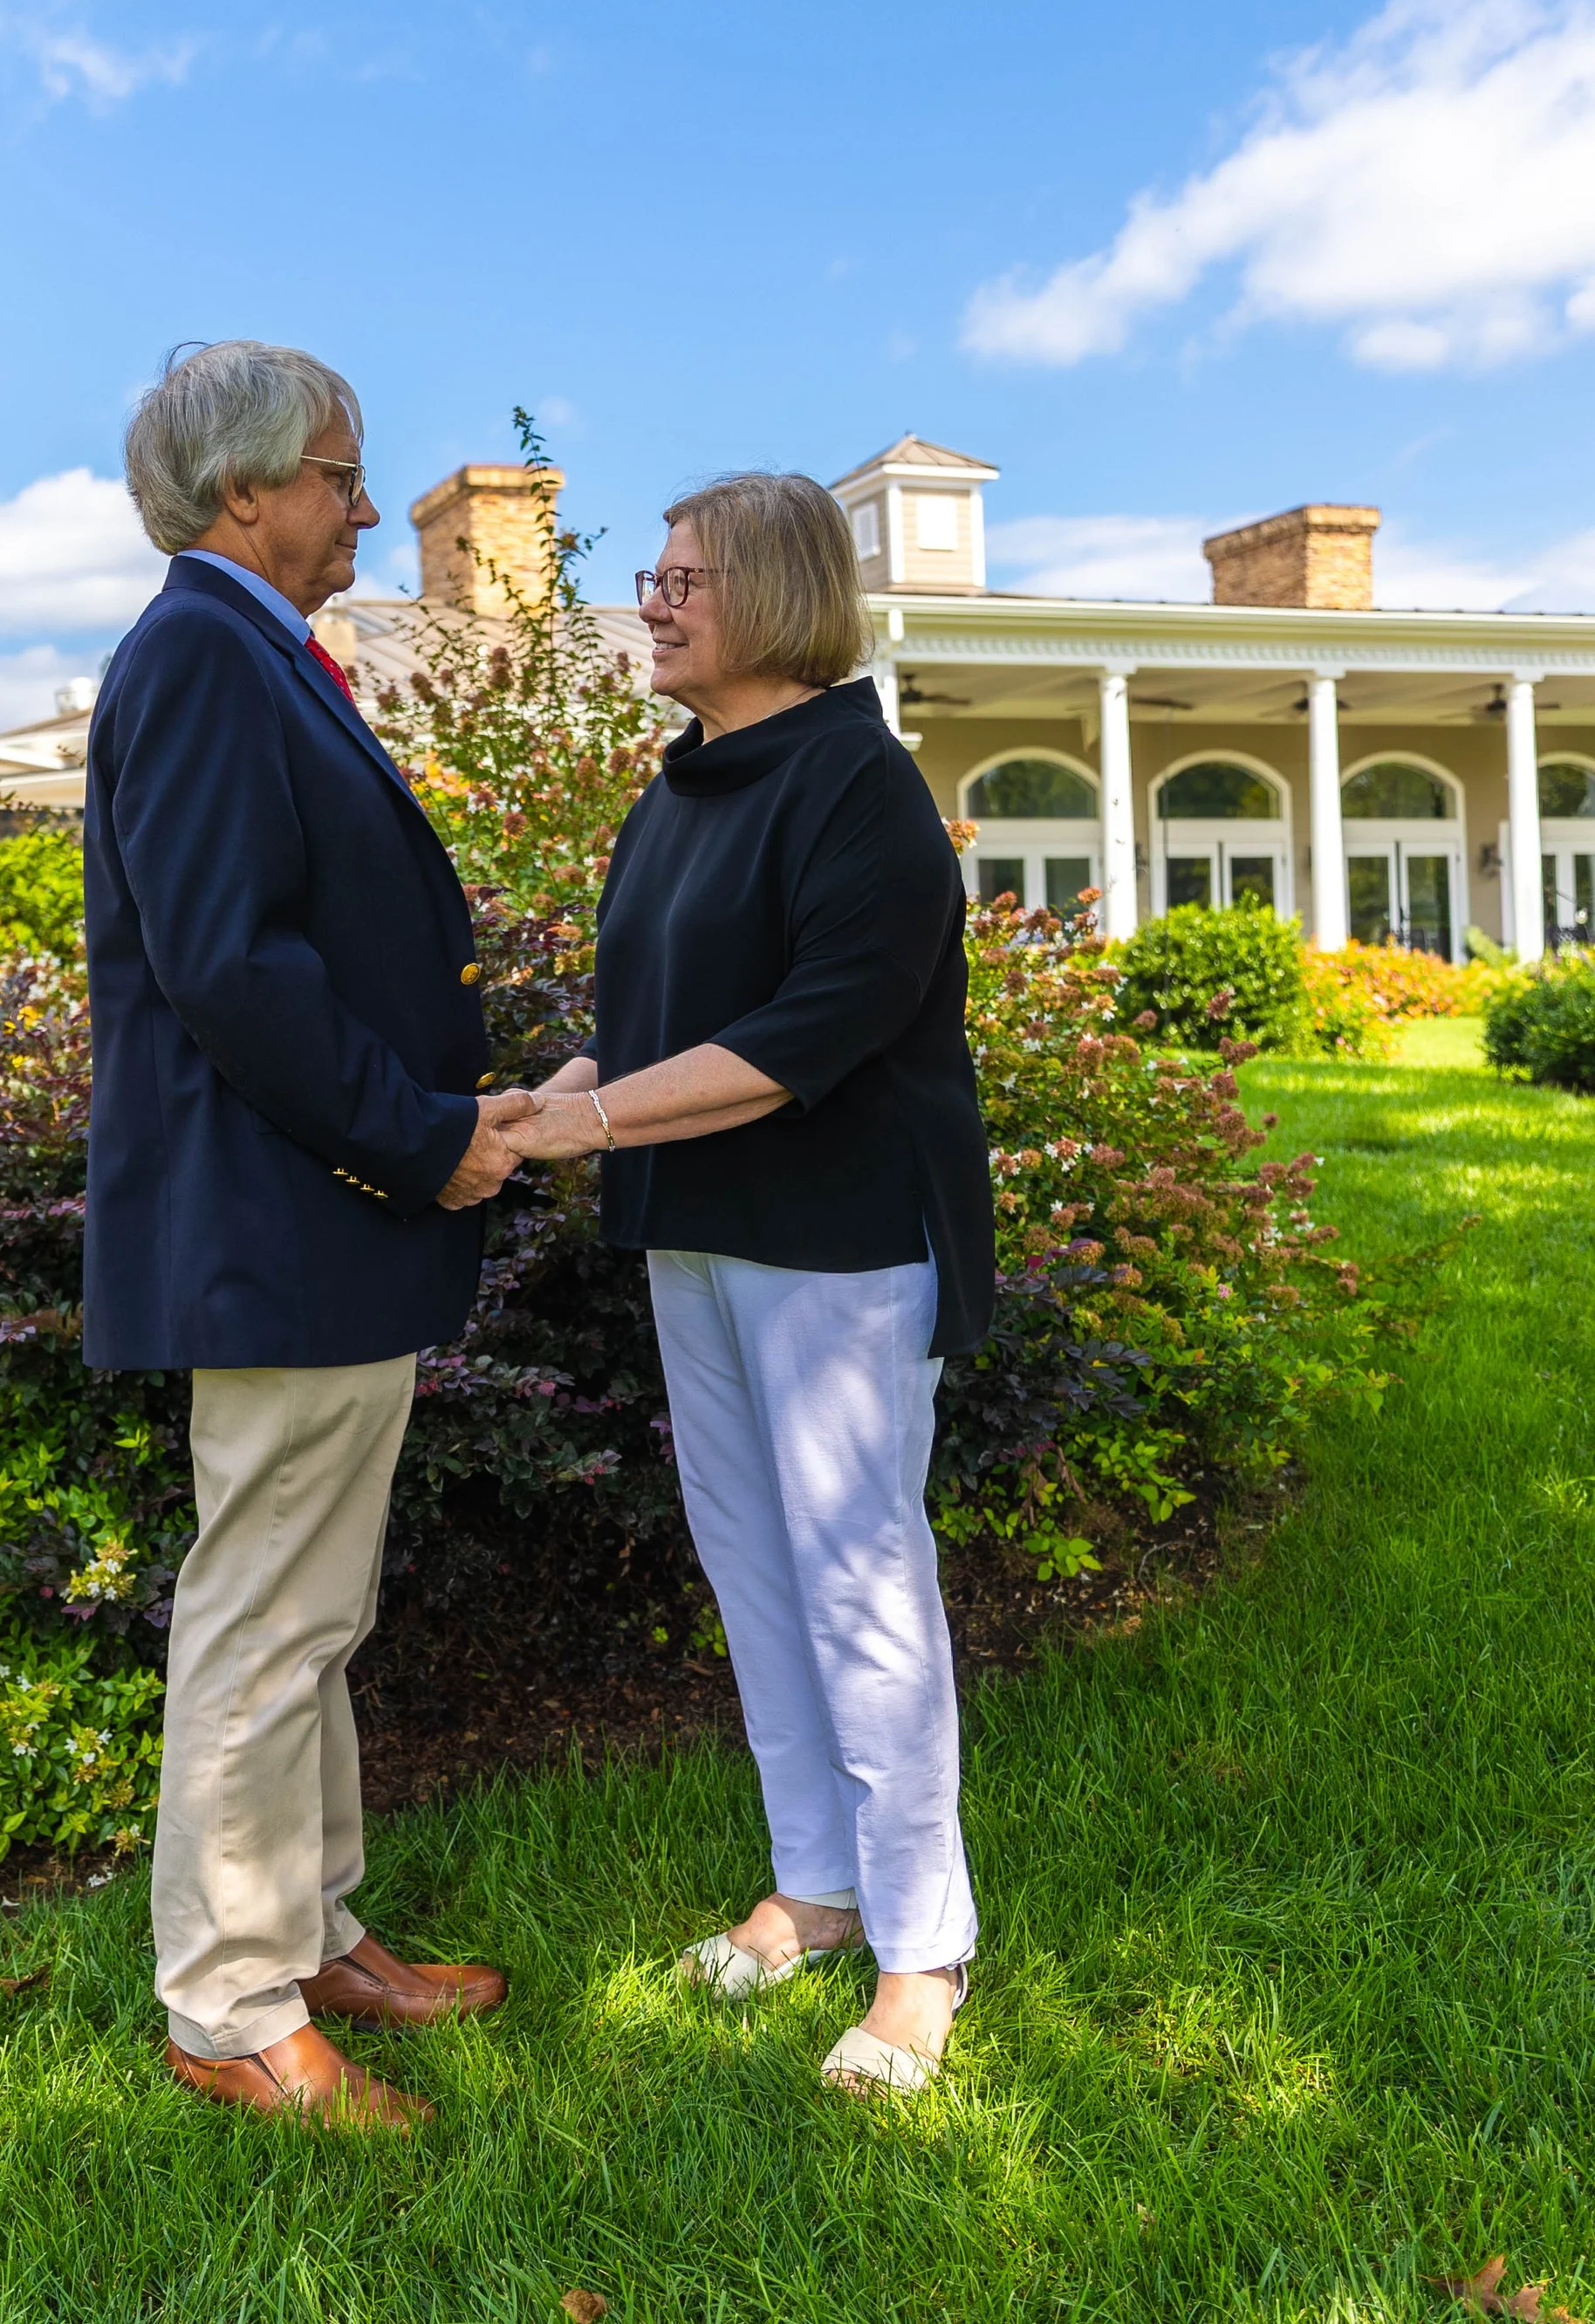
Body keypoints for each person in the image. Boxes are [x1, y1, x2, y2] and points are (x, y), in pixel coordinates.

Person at [505, 471, 995, 2096]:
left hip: (841, 1234)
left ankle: (923, 1951)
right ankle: (818, 1886)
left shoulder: (862, 788)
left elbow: (802, 1040)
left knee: (859, 1574)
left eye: (680, 575)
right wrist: (555, 1096)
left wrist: (590, 1121)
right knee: (751, 1559)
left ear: (775, 596)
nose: (649, 599)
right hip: (693, 1225)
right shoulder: (683, 787)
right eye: (647, 574)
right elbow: (656, 1026)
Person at [84, 341, 528, 2131]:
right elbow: (232, 974)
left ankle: (312, 1930)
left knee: (307, 1612)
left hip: (307, 1223)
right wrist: (424, 1139)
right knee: (263, 1623)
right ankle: (227, 2004)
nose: (361, 505)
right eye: (340, 475)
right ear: (242, 493)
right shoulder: (201, 651)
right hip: (284, 1219)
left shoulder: (251, 649)